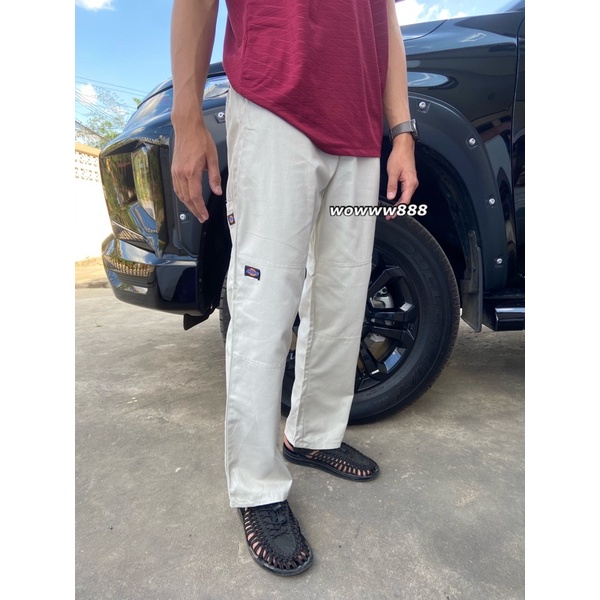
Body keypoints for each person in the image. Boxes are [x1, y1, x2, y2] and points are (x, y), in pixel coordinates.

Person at [170, 0, 418, 576]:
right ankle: (257, 485)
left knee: (344, 295)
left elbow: (384, 21)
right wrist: (186, 118)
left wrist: (402, 132)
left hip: (359, 131)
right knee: (264, 302)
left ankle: (312, 435)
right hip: (273, 105)